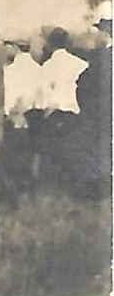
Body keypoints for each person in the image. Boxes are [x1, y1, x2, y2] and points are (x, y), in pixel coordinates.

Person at [37, 26, 89, 191]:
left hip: (54, 114)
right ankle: (70, 188)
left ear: (51, 44)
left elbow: (43, 94)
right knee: (72, 152)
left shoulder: (48, 66)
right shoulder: (80, 64)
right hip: (75, 114)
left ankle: (50, 189)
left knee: (50, 153)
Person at [0, 36, 43, 195]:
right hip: (33, 116)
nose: (6, 50)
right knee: (26, 156)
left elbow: (16, 95)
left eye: (8, 46)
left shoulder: (15, 69)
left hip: (16, 116)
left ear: (15, 47)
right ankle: (26, 192)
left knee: (9, 158)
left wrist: (16, 114)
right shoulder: (37, 68)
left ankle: (10, 195)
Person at [76, 3, 112, 199]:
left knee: (94, 148)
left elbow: (88, 82)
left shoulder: (104, 56)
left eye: (99, 29)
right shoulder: (102, 54)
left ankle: (92, 192)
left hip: (98, 109)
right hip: (101, 109)